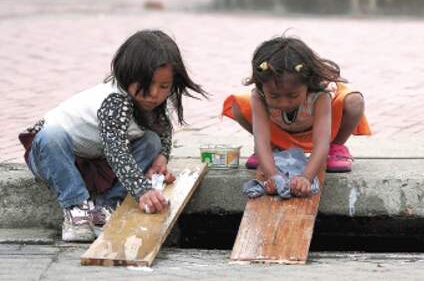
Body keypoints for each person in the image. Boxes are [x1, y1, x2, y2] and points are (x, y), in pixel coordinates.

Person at [19, 30, 208, 242]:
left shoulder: (151, 101)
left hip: (94, 160)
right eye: (147, 86)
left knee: (150, 141)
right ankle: (76, 209)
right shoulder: (114, 101)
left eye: (164, 86)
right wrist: (142, 190)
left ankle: (106, 206)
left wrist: (162, 156)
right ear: (127, 76)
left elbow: (162, 127)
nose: (155, 94)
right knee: (51, 136)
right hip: (53, 158)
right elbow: (115, 149)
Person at [223, 35, 371, 188]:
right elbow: (260, 142)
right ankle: (275, 147)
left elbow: (321, 143)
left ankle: (335, 148)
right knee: (238, 104)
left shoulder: (320, 94)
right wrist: (272, 175)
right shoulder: (258, 95)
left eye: (292, 95)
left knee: (354, 101)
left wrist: (306, 177)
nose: (284, 103)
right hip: (280, 130)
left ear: (307, 84)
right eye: (274, 96)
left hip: (320, 131)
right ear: (261, 86)